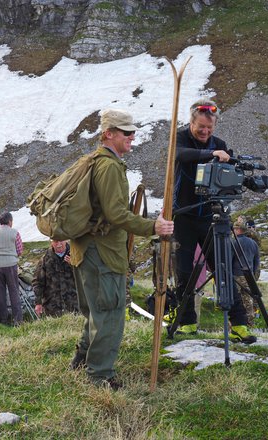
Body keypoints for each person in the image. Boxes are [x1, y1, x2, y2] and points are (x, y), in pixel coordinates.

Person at [69, 108, 174, 389]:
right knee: (110, 314)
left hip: (85, 250)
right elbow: (116, 215)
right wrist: (154, 227)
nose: (132, 136)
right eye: (125, 132)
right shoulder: (110, 167)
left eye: (132, 131)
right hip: (103, 254)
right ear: (108, 134)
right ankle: (99, 375)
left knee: (96, 310)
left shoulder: (92, 161)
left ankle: (81, 360)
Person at [172, 99, 255, 342]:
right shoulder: (180, 139)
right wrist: (210, 154)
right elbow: (179, 155)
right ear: (191, 122)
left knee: (223, 270)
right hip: (184, 215)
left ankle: (239, 324)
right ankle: (187, 322)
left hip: (211, 216)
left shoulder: (220, 144)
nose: (205, 132)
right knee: (184, 271)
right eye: (200, 127)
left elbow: (229, 165)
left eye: (209, 128)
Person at [0, 212, 23, 326]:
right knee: (14, 292)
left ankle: (3, 320)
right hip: (11, 264)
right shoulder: (15, 233)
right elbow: (20, 250)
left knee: (0, 292)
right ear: (10, 221)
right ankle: (18, 320)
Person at [32, 240, 78, 317]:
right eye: (55, 241)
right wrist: (38, 303)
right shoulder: (45, 259)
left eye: (61, 241)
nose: (58, 244)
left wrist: (74, 265)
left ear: (66, 240)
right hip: (53, 308)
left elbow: (87, 277)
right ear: (51, 242)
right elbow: (38, 282)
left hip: (75, 305)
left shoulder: (75, 255)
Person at [232, 219, 261, 327]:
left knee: (236, 299)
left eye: (234, 229)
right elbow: (256, 260)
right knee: (248, 299)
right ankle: (250, 322)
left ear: (238, 230)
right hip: (249, 275)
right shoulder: (253, 243)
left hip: (236, 275)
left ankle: (237, 323)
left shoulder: (233, 242)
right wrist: (253, 272)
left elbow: (230, 258)